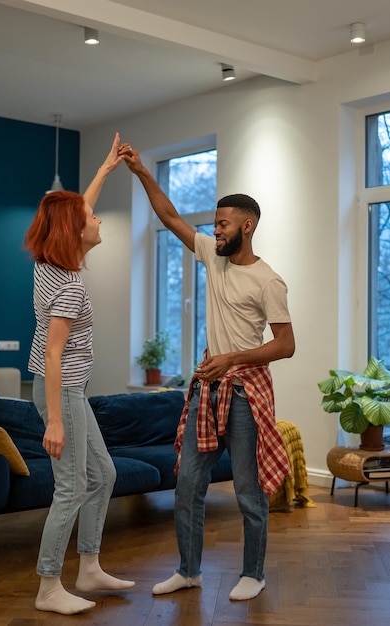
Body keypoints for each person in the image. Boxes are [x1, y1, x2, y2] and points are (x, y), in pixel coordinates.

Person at [121, 144, 295, 601]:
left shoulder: (268, 280)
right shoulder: (212, 256)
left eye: (223, 224)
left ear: (247, 226)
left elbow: (285, 345)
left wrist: (233, 358)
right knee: (188, 485)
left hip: (243, 391)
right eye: (215, 224)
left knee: (246, 491)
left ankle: (253, 574)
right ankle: (189, 570)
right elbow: (171, 216)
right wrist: (142, 172)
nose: (215, 231)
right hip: (207, 388)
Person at [24, 132, 135, 615]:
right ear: (77, 232)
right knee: (70, 486)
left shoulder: (50, 263)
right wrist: (54, 419)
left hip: (68, 391)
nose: (98, 218)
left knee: (103, 473)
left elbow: (74, 212)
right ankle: (49, 587)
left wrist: (103, 172)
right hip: (62, 392)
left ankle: (88, 567)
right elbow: (53, 354)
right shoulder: (67, 287)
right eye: (92, 219)